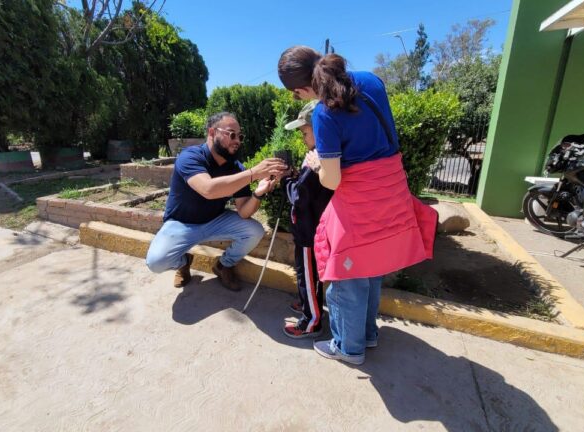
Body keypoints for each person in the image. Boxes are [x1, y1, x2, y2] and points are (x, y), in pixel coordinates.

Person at [278, 46, 437, 365]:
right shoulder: (371, 81)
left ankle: (349, 347)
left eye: (297, 96)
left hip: (359, 203)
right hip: (392, 191)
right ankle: (368, 334)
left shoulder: (323, 114)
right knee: (371, 268)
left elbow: (332, 181)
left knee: (345, 278)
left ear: (299, 89)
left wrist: (317, 162)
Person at [145, 112, 287, 291]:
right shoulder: (190, 157)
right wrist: (254, 173)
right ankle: (184, 261)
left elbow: (244, 211)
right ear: (212, 132)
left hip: (215, 221)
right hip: (182, 224)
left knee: (254, 230)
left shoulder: (236, 168)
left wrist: (258, 193)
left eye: (240, 136)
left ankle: (223, 265)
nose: (237, 140)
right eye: (232, 134)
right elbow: (208, 189)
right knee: (155, 262)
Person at [281, 100, 333, 338]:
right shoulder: (319, 157)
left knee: (308, 276)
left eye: (305, 131)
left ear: (320, 128)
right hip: (308, 228)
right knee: (309, 275)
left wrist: (286, 181)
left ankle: (311, 321)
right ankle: (307, 304)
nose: (302, 136)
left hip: (308, 230)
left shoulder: (317, 161)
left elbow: (298, 196)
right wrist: (296, 175)